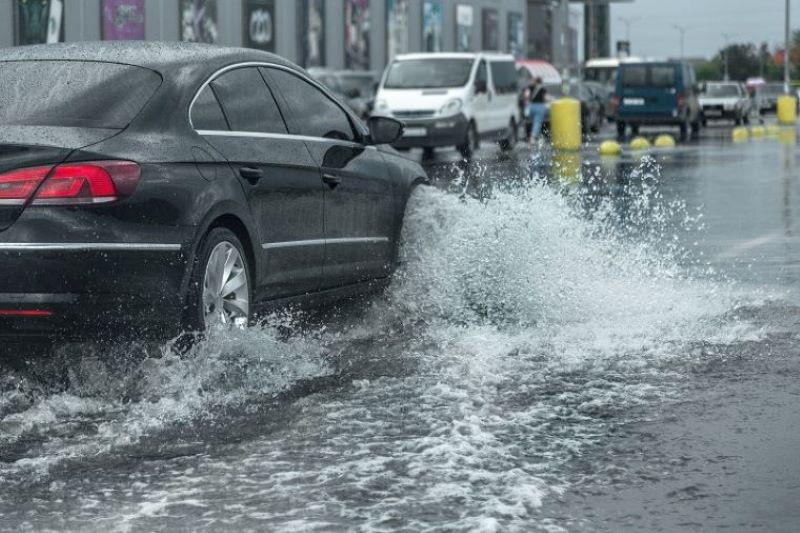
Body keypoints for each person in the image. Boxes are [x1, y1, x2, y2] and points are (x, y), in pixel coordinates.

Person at [526, 77, 547, 142]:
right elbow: (544, 98)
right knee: (537, 122)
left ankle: (532, 135)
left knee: (529, 121)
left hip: (531, 106)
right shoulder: (543, 88)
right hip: (540, 106)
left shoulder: (530, 87)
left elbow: (526, 95)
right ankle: (533, 136)